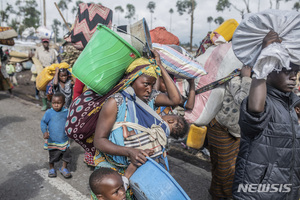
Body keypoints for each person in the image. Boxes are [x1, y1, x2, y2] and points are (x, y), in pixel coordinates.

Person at [232, 31, 300, 199]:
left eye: (296, 72)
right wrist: (264, 59)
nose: (293, 77)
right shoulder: (265, 103)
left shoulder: (290, 105)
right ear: (268, 72)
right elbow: (255, 109)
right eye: (287, 71)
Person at [206, 66, 252, 200]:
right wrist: (246, 77)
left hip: (236, 133)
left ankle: (215, 194)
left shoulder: (257, 81)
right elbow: (242, 100)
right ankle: (220, 196)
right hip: (221, 129)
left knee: (223, 170)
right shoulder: (236, 78)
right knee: (224, 171)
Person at [40, 92, 72, 178]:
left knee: (66, 155)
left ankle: (63, 168)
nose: (56, 105)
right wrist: (45, 132)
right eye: (54, 103)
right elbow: (43, 122)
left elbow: (71, 122)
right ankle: (51, 168)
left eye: (58, 103)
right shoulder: (49, 112)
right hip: (52, 140)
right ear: (51, 103)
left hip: (64, 140)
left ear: (64, 103)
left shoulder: (66, 112)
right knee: (53, 156)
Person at [34, 38, 58, 111]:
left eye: (46, 42)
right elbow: (35, 60)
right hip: (42, 71)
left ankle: (51, 105)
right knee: (42, 88)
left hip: (51, 72)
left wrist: (57, 67)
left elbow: (55, 60)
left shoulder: (52, 51)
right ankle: (44, 104)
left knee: (52, 88)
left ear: (48, 43)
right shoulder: (38, 50)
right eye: (44, 42)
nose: (45, 43)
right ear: (42, 43)